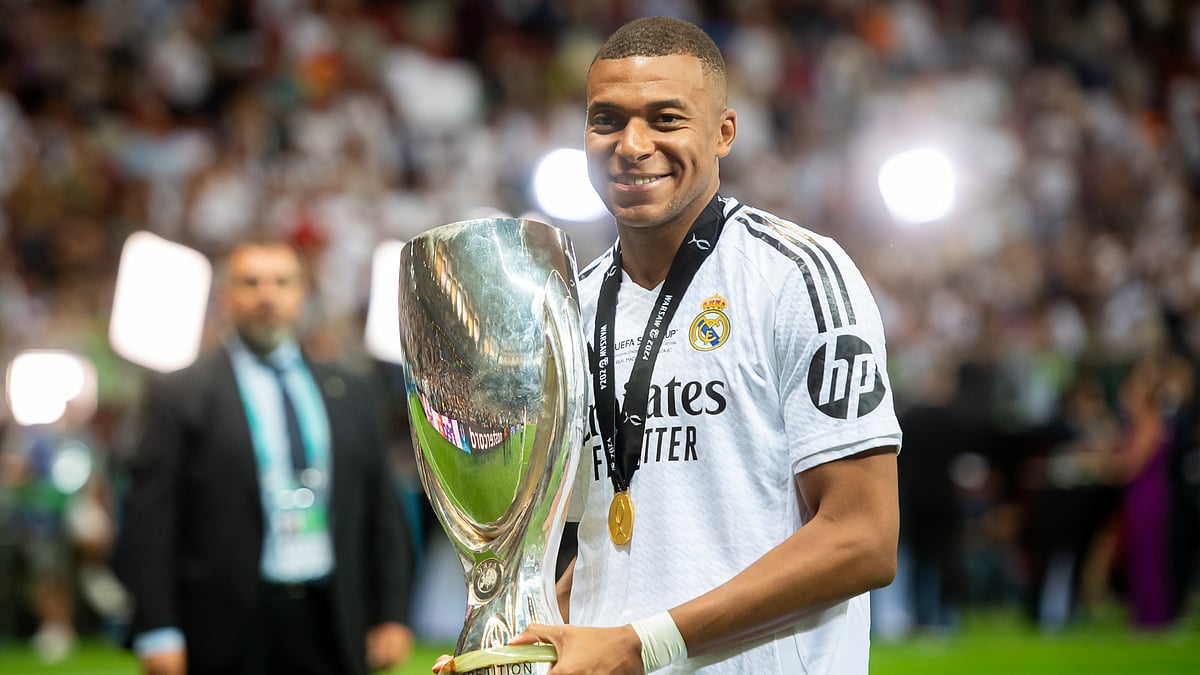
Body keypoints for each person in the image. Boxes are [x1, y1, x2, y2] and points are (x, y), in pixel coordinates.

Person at [437, 16, 903, 675]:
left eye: (665, 118)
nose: (632, 143)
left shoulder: (796, 275)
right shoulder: (572, 305)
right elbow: (615, 542)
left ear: (723, 133)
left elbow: (863, 536)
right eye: (607, 119)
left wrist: (641, 643)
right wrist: (518, 640)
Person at [116, 236, 416, 675]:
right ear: (226, 295)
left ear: (301, 294)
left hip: (330, 618)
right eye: (251, 282)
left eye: (281, 282)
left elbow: (382, 509)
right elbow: (150, 520)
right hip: (223, 625)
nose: (267, 295)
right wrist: (157, 628)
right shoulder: (180, 394)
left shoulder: (350, 389)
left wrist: (391, 611)